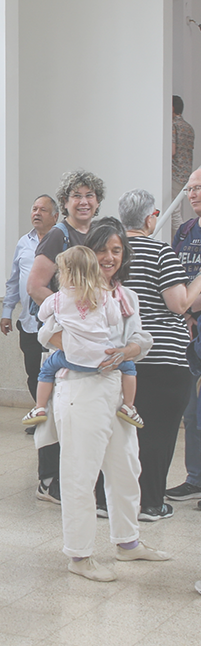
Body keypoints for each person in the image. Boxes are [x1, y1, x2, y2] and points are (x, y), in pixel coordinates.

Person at [34, 216, 167, 581]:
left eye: (116, 250)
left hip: (116, 389)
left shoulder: (125, 296)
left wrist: (128, 350)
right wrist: (83, 349)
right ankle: (79, 556)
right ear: (88, 254)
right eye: (102, 250)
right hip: (81, 388)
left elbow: (141, 337)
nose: (109, 257)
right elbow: (46, 334)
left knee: (126, 467)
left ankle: (128, 542)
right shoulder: (70, 293)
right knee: (80, 472)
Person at [118, 189, 201, 521]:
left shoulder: (110, 251)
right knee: (158, 433)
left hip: (122, 356)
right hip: (163, 357)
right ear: (150, 218)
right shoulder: (160, 251)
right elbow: (179, 304)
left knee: (123, 432)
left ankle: (110, 500)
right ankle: (150, 503)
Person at [26, 169, 106, 503]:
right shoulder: (58, 236)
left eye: (89, 196)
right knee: (56, 412)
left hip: (92, 341)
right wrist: (70, 315)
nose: (83, 202)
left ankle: (79, 477)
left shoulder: (100, 234)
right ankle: (49, 480)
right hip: (63, 337)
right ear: (65, 202)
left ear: (98, 201)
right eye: (77, 196)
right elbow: (35, 286)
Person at [22, 246, 140, 428]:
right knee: (129, 367)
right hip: (102, 357)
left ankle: (39, 407)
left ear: (64, 273)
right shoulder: (104, 296)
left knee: (46, 370)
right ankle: (129, 406)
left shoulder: (57, 298)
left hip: (70, 356)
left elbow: (42, 315)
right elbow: (115, 319)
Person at [1, 194, 60, 407]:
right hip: (29, 322)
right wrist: (6, 312)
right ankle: (42, 412)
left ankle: (56, 416)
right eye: (34, 209)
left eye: (43, 210)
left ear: (55, 216)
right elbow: (14, 280)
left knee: (57, 373)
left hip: (58, 323)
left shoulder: (63, 241)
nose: (37, 213)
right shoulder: (24, 243)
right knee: (33, 372)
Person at [167, 165, 201, 502]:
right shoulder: (186, 231)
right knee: (191, 412)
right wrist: (187, 312)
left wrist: (189, 304)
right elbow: (175, 276)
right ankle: (195, 478)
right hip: (188, 328)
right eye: (190, 188)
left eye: (199, 188)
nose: (193, 194)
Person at [170, 95, 195, 234]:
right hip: (186, 175)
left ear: (172, 108)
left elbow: (172, 150)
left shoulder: (173, 125)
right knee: (176, 209)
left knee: (173, 212)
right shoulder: (188, 127)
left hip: (175, 173)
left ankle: (183, 238)